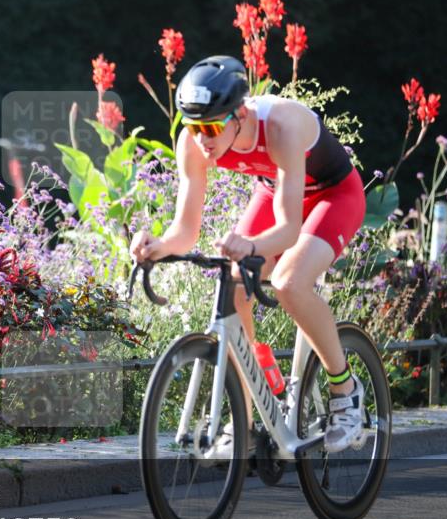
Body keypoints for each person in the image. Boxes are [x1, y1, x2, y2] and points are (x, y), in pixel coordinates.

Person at [129, 55, 366, 454]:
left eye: (211, 127)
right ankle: (248, 420)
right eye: (193, 126)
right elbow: (185, 231)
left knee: (289, 282)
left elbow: (288, 229)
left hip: (334, 195)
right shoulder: (193, 142)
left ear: (240, 113)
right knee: (234, 284)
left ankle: (346, 390)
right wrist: (158, 245)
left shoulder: (280, 126)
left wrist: (252, 246)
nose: (202, 139)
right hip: (275, 192)